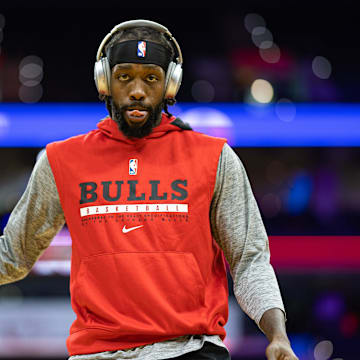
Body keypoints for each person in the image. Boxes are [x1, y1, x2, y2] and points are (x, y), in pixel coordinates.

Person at [0, 19, 298, 360]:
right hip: (98, 354)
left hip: (192, 350)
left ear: (170, 86)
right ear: (104, 81)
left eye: (151, 78)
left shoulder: (215, 158)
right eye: (124, 76)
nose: (137, 90)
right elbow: (13, 256)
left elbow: (250, 261)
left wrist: (278, 335)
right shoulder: (61, 160)